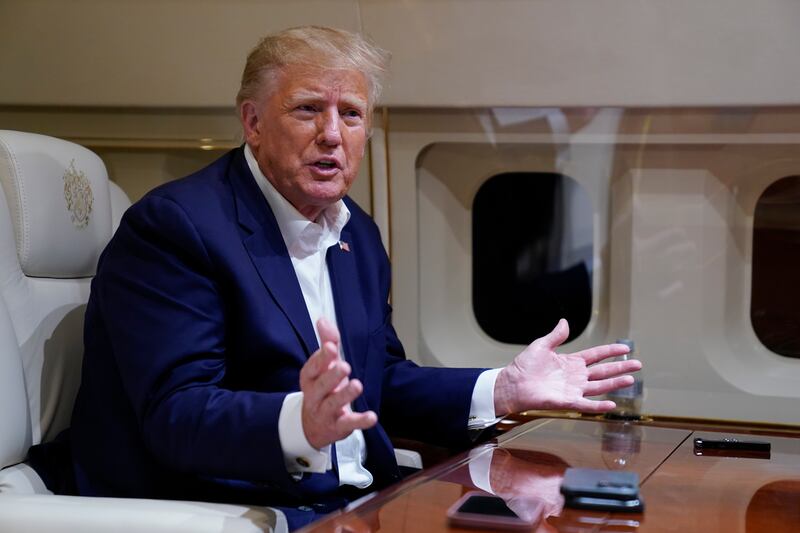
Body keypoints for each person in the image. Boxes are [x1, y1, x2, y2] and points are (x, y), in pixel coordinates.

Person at [68, 26, 641, 530]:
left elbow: (379, 380)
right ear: (253, 121)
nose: (332, 134)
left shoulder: (356, 234)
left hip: (356, 503)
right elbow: (177, 414)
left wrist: (502, 389)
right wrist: (301, 423)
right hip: (233, 508)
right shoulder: (176, 228)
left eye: (351, 114)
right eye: (307, 109)